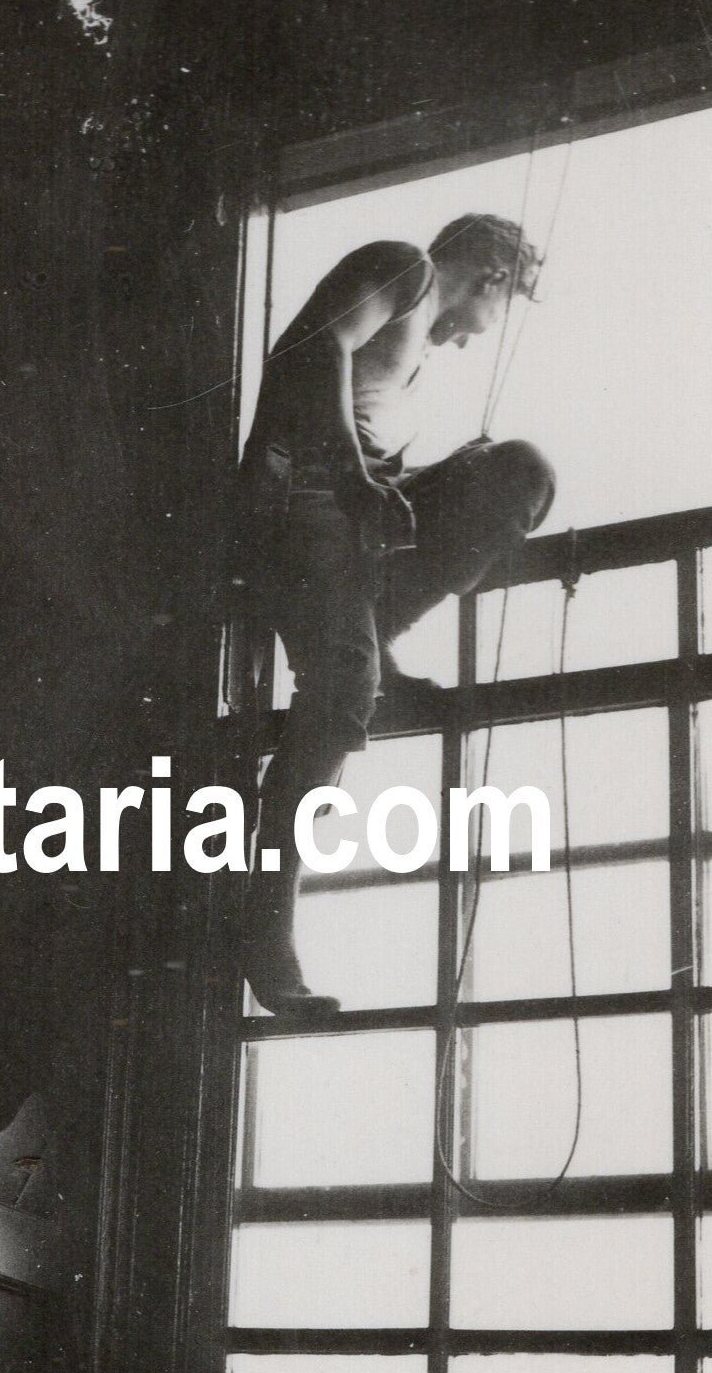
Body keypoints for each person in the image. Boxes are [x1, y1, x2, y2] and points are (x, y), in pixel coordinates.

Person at [233, 214, 555, 1016]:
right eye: (503, 306)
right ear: (491, 277)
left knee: (518, 472)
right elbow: (310, 348)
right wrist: (349, 473)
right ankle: (262, 941)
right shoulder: (405, 268)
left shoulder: (410, 354)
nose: (482, 336)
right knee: (340, 695)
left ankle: (372, 648)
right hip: (299, 507)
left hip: (343, 512)